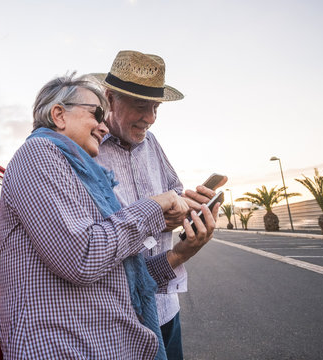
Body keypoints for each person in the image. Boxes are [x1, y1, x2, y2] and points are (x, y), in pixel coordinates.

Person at [0, 73, 216, 359]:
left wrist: (181, 252)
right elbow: (82, 257)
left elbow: (124, 275)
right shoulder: (39, 153)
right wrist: (154, 206)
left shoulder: (85, 173)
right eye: (98, 114)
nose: (103, 125)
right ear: (59, 115)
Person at [95, 50, 224, 360]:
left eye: (155, 107)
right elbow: (95, 239)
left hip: (165, 308)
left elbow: (174, 191)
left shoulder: (152, 143)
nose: (150, 118)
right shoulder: (89, 148)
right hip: (120, 316)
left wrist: (189, 206)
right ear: (110, 98)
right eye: (141, 105)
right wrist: (155, 217)